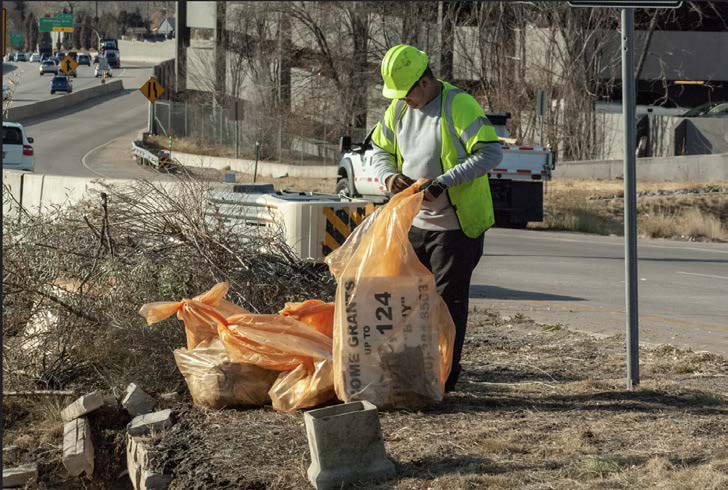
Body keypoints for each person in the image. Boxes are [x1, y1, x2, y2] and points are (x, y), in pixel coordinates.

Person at [370, 44, 503, 392]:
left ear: (425, 81)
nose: (403, 100)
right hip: (415, 224)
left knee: (448, 303)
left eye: (407, 93)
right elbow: (379, 150)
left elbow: (490, 152)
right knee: (408, 301)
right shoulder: (398, 110)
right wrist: (388, 177)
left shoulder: (458, 105)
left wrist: (445, 181)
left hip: (455, 228)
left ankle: (444, 378)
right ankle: (414, 373)